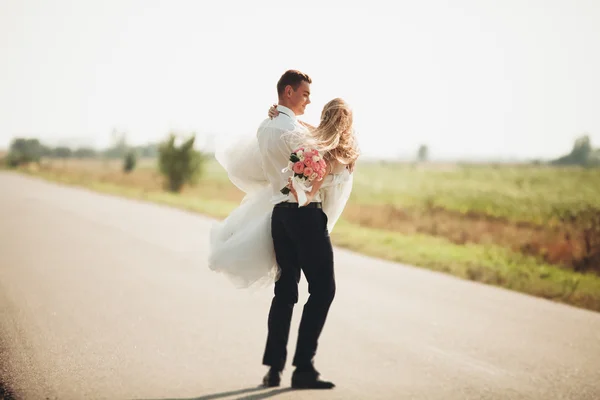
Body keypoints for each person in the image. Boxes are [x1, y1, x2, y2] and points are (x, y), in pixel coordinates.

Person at [207, 69, 359, 389]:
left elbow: (270, 162)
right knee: (323, 290)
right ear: (288, 91)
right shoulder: (302, 138)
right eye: (304, 94)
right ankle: (303, 367)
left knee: (285, 292)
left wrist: (282, 114)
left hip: (280, 216)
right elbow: (317, 146)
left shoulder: (267, 127)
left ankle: (273, 369)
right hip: (306, 216)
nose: (308, 101)